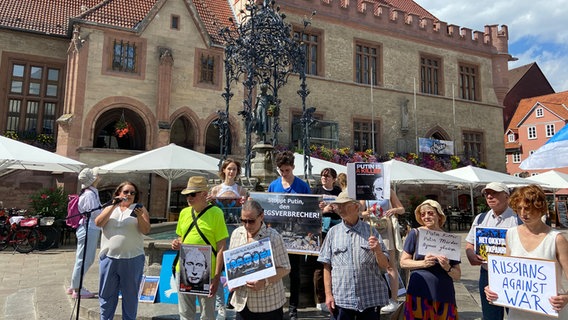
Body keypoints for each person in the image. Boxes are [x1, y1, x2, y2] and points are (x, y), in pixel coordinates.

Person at [484, 185, 568, 319]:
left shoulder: (556, 239)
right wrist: (492, 288)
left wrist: (566, 297)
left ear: (540, 207)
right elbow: (506, 273)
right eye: (519, 208)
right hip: (519, 312)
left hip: (550, 311)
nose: (523, 213)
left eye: (528, 208)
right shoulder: (511, 234)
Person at [318, 191, 390, 319]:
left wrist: (378, 250)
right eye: (337, 205)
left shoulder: (371, 231)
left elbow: (385, 266)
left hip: (370, 297)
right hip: (342, 299)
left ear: (356, 207)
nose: (339, 209)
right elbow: (326, 266)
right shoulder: (333, 233)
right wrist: (328, 295)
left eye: (344, 205)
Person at [171, 176, 229, 320]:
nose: (188, 198)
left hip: (207, 272)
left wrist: (216, 277)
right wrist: (176, 243)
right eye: (186, 195)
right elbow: (181, 238)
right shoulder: (184, 213)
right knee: (185, 313)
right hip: (184, 270)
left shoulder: (216, 213)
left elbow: (221, 247)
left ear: (204, 194)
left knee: (207, 314)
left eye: (192, 194)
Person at [464, 182, 522, 320]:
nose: (489, 196)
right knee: (490, 316)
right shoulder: (481, 218)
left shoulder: (518, 219)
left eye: (494, 193)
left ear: (507, 196)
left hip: (513, 275)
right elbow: (469, 243)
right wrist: (470, 254)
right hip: (487, 273)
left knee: (516, 315)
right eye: (486, 194)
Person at [94, 181, 151, 320]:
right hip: (109, 258)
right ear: (119, 193)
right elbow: (98, 223)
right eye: (126, 192)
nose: (129, 195)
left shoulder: (140, 209)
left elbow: (146, 230)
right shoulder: (110, 208)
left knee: (130, 296)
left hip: (132, 258)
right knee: (106, 294)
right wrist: (113, 205)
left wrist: (139, 216)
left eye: (132, 193)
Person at [229, 199, 291, 320]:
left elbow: (285, 268)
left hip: (268, 305)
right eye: (243, 221)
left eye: (251, 221)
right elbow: (232, 265)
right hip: (242, 303)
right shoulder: (236, 233)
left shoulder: (273, 237)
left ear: (261, 216)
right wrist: (232, 281)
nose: (247, 225)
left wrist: (264, 282)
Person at [267, 151, 311, 320]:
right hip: (277, 236)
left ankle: (293, 307)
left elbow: (309, 209)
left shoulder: (302, 185)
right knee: (274, 271)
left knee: (295, 273)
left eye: (287, 170)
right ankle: (275, 305)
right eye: (281, 170)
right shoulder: (273, 185)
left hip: (296, 236)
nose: (284, 173)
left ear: (293, 167)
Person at [400, 199, 461, 319]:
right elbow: (403, 262)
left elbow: (457, 275)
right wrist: (423, 263)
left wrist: (447, 267)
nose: (426, 217)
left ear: (439, 215)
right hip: (419, 291)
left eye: (430, 213)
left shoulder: (449, 239)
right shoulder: (415, 233)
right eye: (423, 214)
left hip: (444, 293)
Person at [208, 159, 249, 318]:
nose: (231, 172)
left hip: (236, 231)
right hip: (218, 232)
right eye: (229, 169)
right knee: (217, 269)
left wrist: (246, 204)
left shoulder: (242, 190)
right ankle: (220, 305)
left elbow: (247, 212)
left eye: (234, 169)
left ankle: (234, 300)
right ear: (223, 170)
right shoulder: (215, 190)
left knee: (236, 268)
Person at [360, 189, 405, 313]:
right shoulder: (365, 191)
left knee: (390, 265)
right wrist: (366, 213)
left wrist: (394, 210)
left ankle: (394, 299)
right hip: (370, 230)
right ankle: (371, 297)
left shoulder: (388, 191)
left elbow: (402, 209)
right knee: (368, 263)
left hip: (385, 230)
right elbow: (359, 213)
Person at [67, 167, 102, 299]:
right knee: (86, 259)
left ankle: (74, 285)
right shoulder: (89, 194)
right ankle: (78, 288)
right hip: (89, 228)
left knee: (81, 258)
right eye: (97, 176)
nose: (100, 177)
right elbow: (94, 213)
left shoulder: (89, 193)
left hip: (88, 228)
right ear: (93, 179)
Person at [311, 168, 342, 312]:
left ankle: (335, 295)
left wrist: (336, 209)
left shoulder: (338, 191)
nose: (324, 178)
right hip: (321, 231)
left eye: (327, 176)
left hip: (336, 229)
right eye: (322, 176)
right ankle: (320, 299)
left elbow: (343, 208)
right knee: (320, 264)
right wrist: (323, 210)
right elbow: (309, 210)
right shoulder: (316, 191)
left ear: (334, 179)